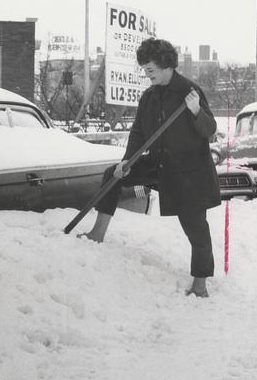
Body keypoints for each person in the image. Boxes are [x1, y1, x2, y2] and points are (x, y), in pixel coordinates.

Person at [79, 38, 221, 297]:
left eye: (150, 69)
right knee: (113, 174)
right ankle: (97, 233)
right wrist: (127, 161)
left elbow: (210, 131)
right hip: (159, 165)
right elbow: (138, 132)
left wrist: (196, 110)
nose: (146, 74)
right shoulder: (149, 96)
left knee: (195, 224)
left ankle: (200, 283)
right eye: (144, 69)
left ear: (167, 65)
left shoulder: (190, 91)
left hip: (188, 172)